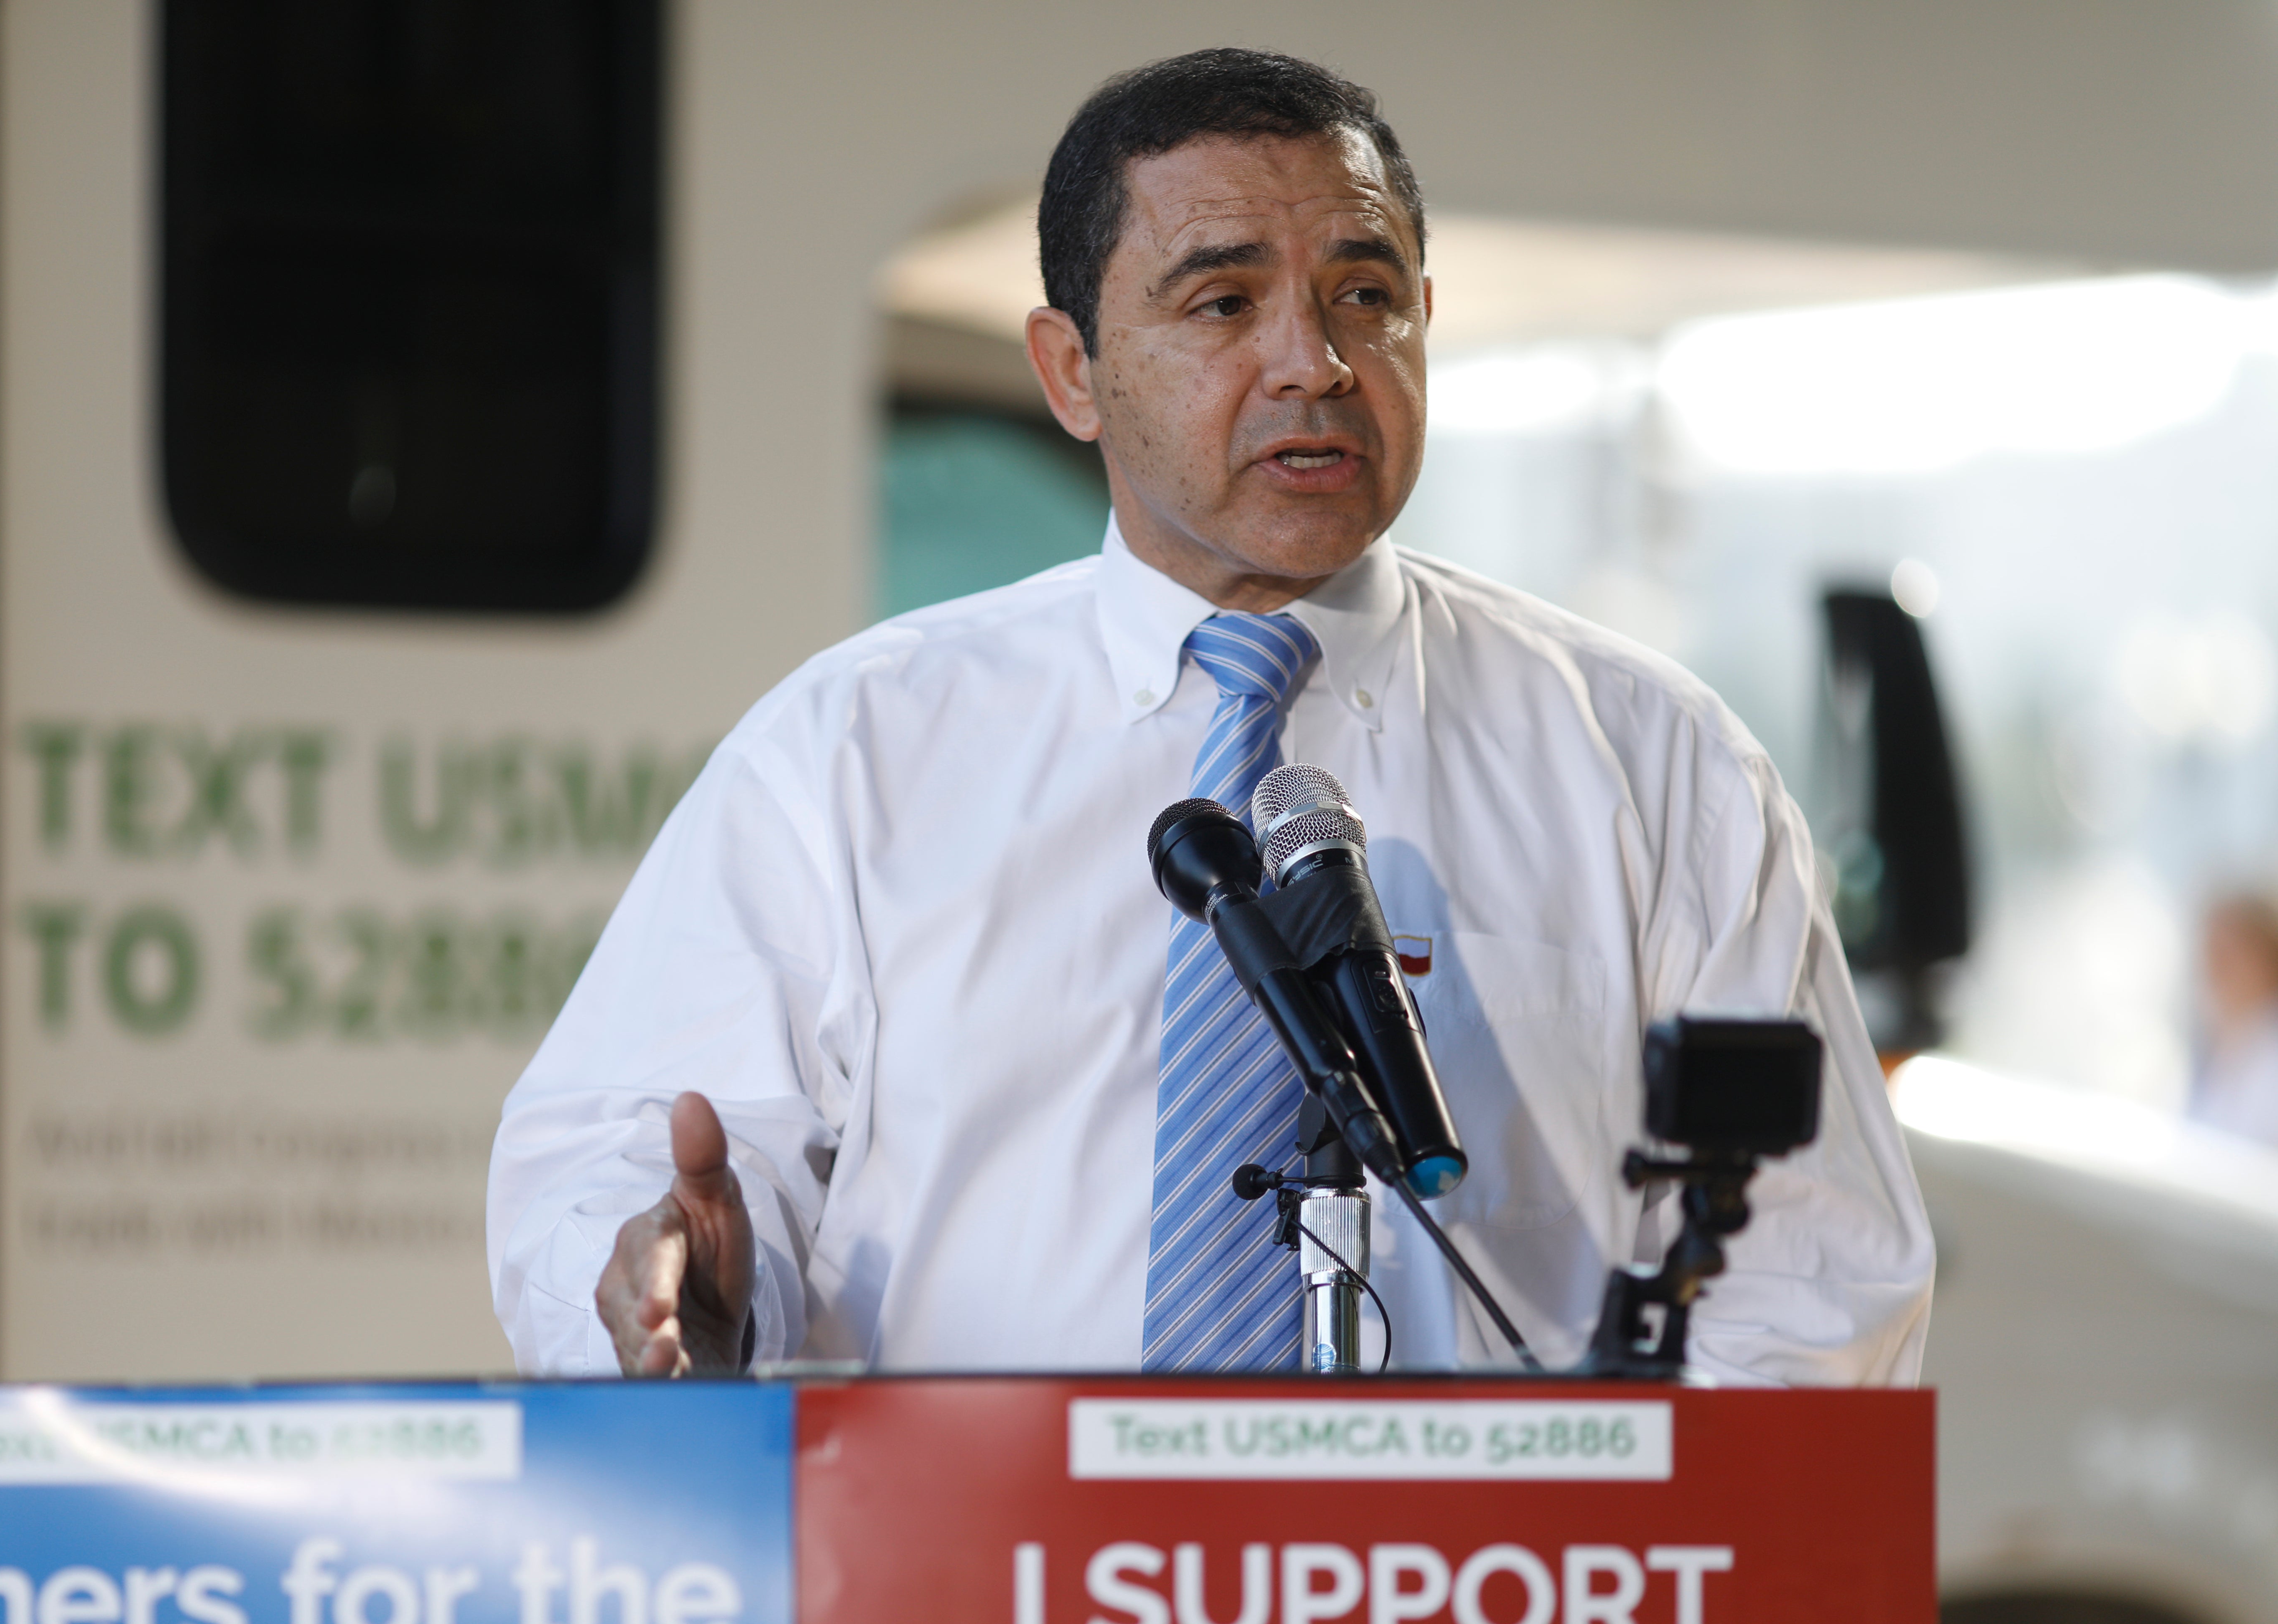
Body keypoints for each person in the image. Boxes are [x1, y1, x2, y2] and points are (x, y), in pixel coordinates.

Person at [486, 49, 1933, 1386]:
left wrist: (1620, 1565)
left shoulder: (1653, 763)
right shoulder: (855, 755)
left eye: (1365, 296)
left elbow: (1814, 1276)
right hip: (1001, 1614)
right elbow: (623, 1182)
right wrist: (678, 1291)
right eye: (1223, 303)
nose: (1313, 362)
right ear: (1071, 372)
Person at [2188, 890, 2278, 1149]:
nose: (2215, 968)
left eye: (2229, 954)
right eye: (2211, 951)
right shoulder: (2217, 1043)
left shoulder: (2269, 1052)